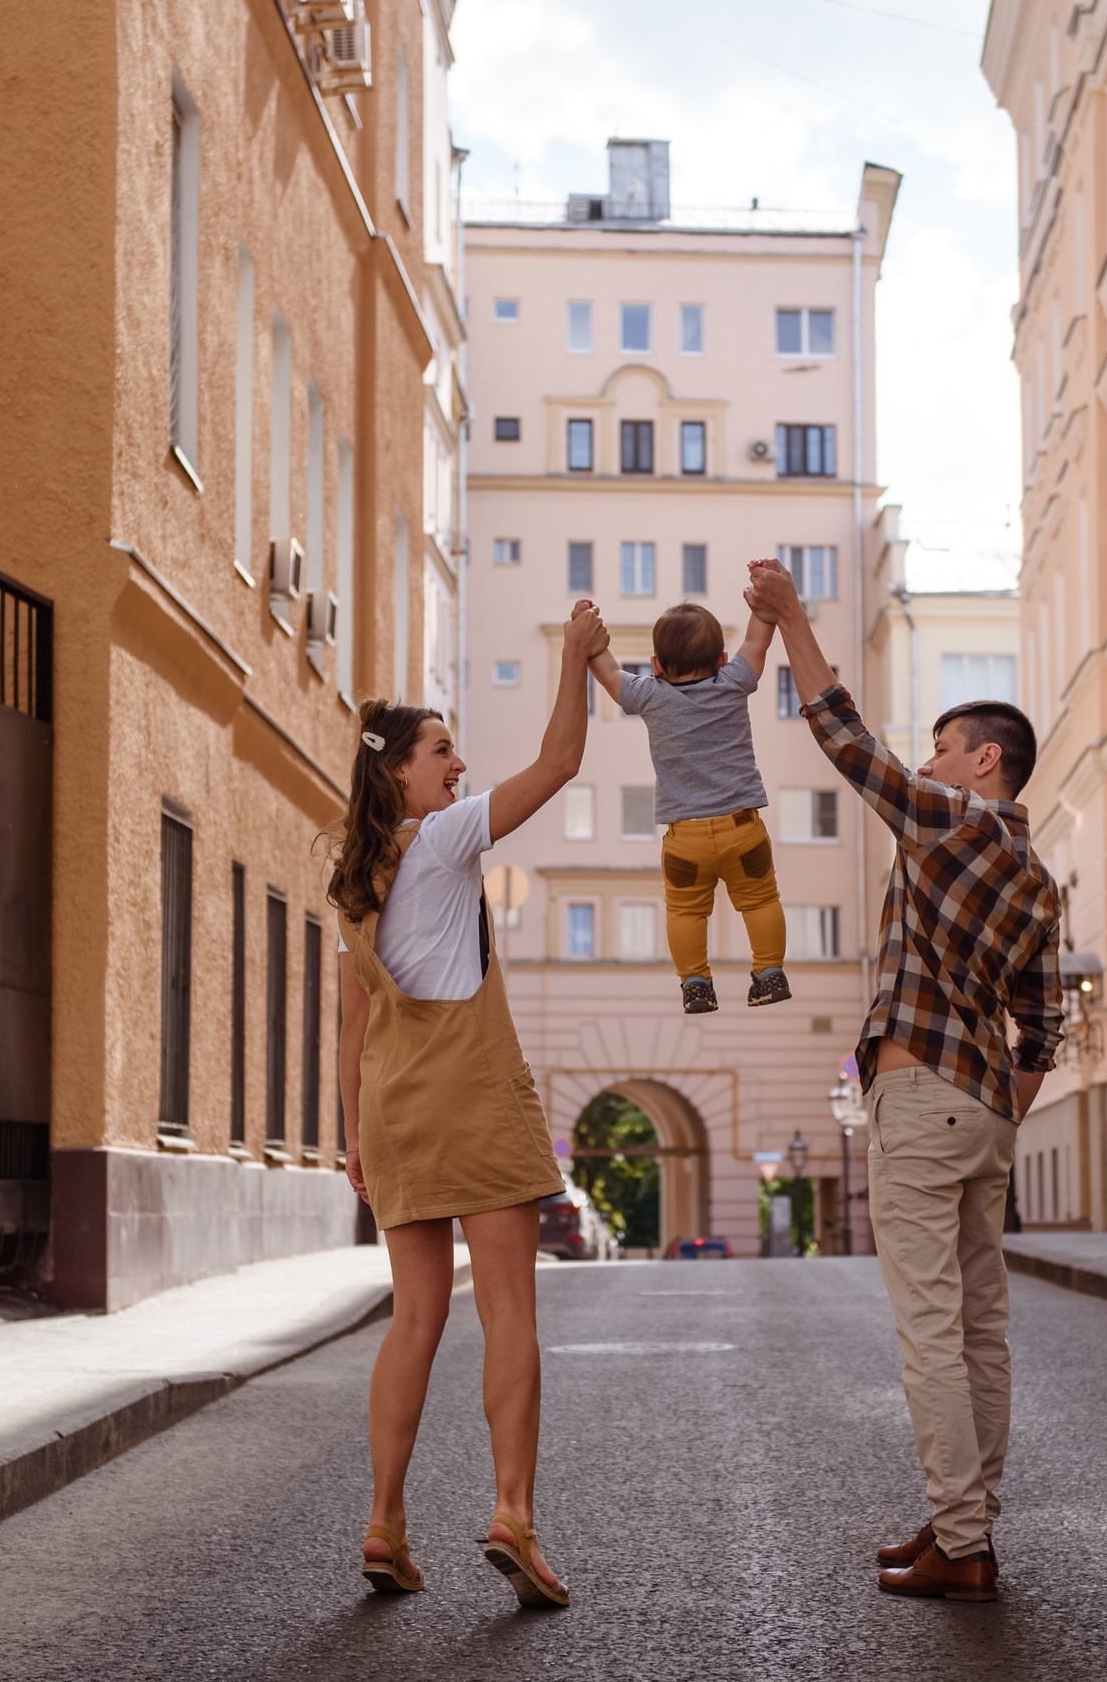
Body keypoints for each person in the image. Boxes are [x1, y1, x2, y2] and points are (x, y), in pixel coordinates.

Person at [744, 559, 1064, 1604]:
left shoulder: (947, 819)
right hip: (979, 1111)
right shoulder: (1037, 875)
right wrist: (1002, 1107)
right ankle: (963, 1519)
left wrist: (791, 616)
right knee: (980, 1324)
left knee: (930, 1324)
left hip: (923, 1096)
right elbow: (1042, 1018)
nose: (926, 762)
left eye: (941, 748)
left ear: (980, 761)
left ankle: (961, 1540)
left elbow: (845, 739)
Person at [328, 599, 609, 1610]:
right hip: (474, 1099)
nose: (457, 764)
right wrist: (572, 658)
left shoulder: (355, 878)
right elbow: (561, 763)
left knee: (413, 1318)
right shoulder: (443, 839)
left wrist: (353, 1135)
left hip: (395, 1112)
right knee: (507, 1310)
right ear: (399, 770)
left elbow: (352, 1027)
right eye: (442, 749)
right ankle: (511, 1512)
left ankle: (384, 1521)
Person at [582, 600, 790, 1014]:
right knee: (760, 901)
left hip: (685, 840)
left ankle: (696, 983)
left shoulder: (649, 695)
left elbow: (607, 672)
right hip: (742, 828)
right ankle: (769, 973)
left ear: (656, 665)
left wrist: (591, 637)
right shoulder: (733, 682)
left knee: (685, 912)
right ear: (722, 659)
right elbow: (757, 642)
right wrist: (765, 605)